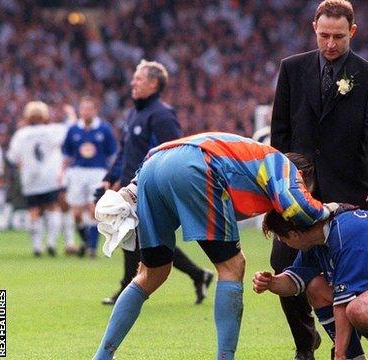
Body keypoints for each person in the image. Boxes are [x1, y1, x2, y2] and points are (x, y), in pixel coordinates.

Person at [93, 133, 338, 360]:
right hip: (195, 167)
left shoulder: (248, 157)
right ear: (303, 176)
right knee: (233, 266)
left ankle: (102, 356)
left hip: (152, 168)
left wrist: (132, 190)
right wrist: (332, 209)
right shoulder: (284, 165)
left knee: (151, 274)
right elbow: (299, 207)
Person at [270, 1, 368, 358]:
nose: (330, 43)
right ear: (314, 28)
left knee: (344, 278)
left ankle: (345, 352)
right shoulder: (291, 69)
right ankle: (304, 344)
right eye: (324, 35)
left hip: (346, 192)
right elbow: (281, 131)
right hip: (297, 191)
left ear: (352, 32)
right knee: (284, 267)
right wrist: (280, 182)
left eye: (338, 36)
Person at [98, 60, 212, 306]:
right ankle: (197, 275)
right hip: (130, 186)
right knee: (137, 237)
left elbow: (172, 153)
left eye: (138, 79)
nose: (132, 83)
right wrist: (110, 177)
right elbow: (125, 151)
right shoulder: (135, 112)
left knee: (139, 238)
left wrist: (149, 184)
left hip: (149, 188)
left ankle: (130, 288)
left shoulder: (162, 115)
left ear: (153, 83)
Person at [255, 209, 368, 360]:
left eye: (283, 239)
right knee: (316, 287)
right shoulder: (317, 238)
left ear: (295, 234)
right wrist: (271, 283)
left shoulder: (347, 231)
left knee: (359, 310)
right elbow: (295, 282)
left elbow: (343, 302)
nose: (285, 244)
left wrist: (339, 354)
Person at [7, 101, 67, 257]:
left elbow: (13, 157)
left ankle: (37, 246)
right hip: (50, 177)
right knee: (53, 208)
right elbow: (67, 137)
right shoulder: (54, 130)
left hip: (30, 179)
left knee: (33, 211)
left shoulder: (21, 134)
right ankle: (52, 243)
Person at [62, 97, 117, 257]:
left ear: (95, 111)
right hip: (77, 172)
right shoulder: (73, 129)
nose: (86, 112)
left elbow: (112, 153)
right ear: (80, 111)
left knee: (94, 209)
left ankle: (92, 248)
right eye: (83, 109)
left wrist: (111, 175)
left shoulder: (104, 129)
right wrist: (62, 173)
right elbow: (66, 152)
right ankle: (87, 241)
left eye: (89, 109)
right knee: (77, 214)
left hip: (97, 172)